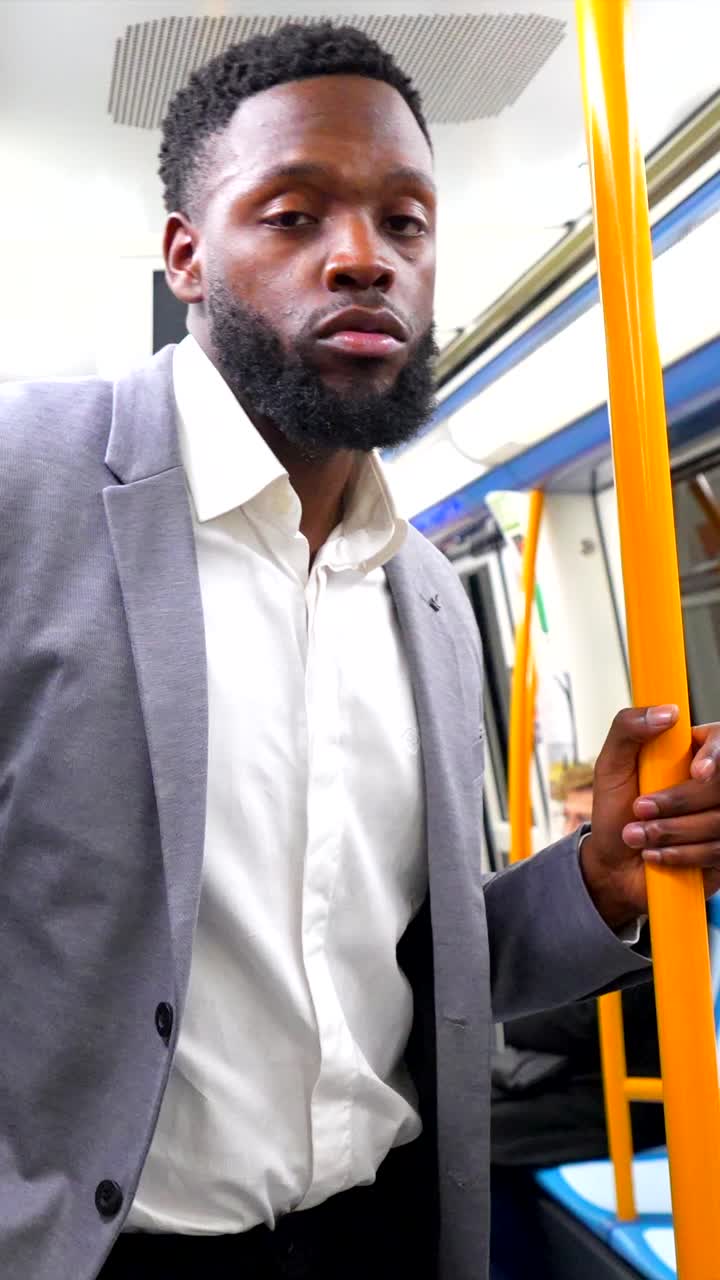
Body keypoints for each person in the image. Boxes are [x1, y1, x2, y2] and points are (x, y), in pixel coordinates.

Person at [2, 23, 720, 1280]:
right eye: (293, 215)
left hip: (384, 1231)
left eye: (405, 221)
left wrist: (604, 875)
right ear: (187, 254)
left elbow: (419, 962)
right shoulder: (30, 487)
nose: (363, 257)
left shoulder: (427, 593)